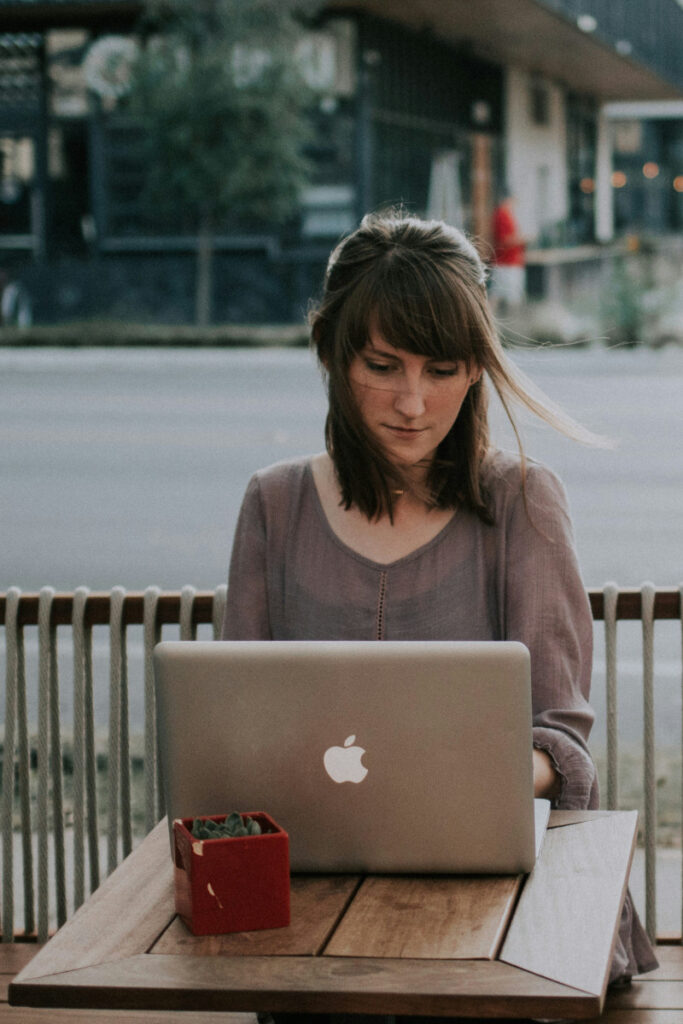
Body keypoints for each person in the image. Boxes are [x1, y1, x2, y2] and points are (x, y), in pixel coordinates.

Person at [221, 212, 657, 995]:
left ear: (476, 368)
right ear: (329, 351)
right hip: (311, 907)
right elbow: (233, 731)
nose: (412, 404)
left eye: (443, 369)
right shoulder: (273, 504)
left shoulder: (521, 499)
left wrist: (429, 776)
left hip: (503, 916)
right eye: (382, 365)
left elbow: (561, 744)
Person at [489, 190, 527, 313]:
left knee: (499, 293)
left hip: (509, 262)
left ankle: (494, 319)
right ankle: (512, 320)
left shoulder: (506, 215)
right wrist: (522, 239)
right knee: (506, 294)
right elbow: (505, 240)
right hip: (506, 263)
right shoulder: (502, 215)